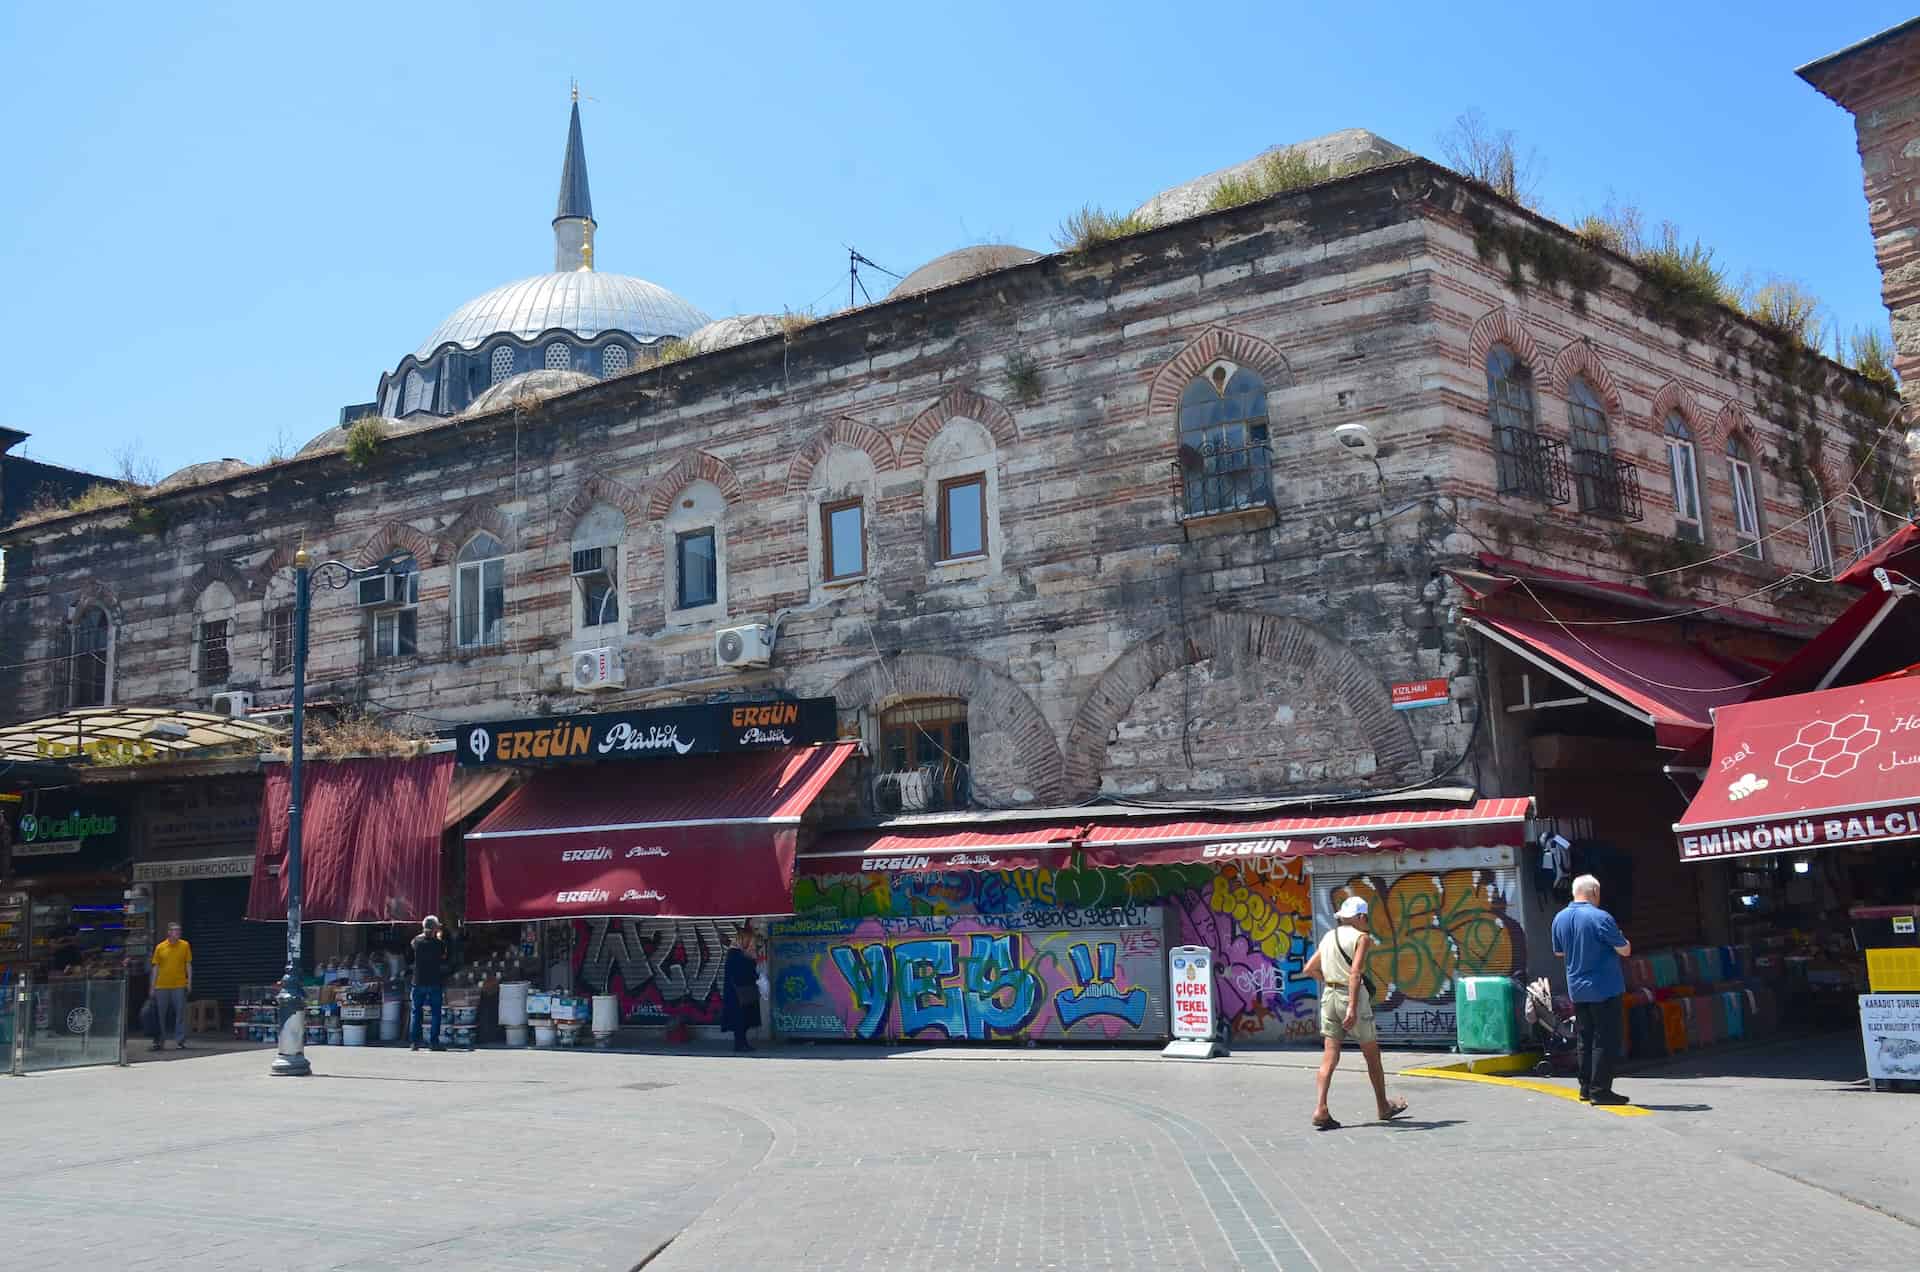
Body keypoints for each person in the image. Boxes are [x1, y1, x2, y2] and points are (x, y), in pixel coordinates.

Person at [1301, 896, 1408, 1129]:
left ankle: (1320, 1108)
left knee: (1329, 1056)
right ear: (1360, 917)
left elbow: (1309, 968)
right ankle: (1383, 1106)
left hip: (1329, 996)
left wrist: (1330, 983)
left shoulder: (1329, 936)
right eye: (1365, 917)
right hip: (1352, 999)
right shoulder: (1362, 938)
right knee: (1371, 1055)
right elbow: (1355, 974)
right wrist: (1350, 1005)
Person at [1552, 873, 1632, 1105]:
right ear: (1594, 892)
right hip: (1604, 987)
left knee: (1584, 1038)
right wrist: (1623, 941)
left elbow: (1559, 952)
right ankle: (1600, 1090)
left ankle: (1585, 1087)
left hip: (1577, 988)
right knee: (1605, 1039)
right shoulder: (1600, 917)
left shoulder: (1560, 918)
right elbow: (1624, 950)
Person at [149, 922, 192, 1052]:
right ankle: (159, 1040)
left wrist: (189, 982)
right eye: (175, 931)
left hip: (179, 984)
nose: (178, 933)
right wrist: (152, 986)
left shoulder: (185, 945)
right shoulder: (160, 947)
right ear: (169, 932)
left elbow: (188, 965)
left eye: (179, 931)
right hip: (161, 985)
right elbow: (155, 967)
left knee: (180, 1013)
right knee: (160, 1014)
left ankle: (180, 1040)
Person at [410, 915, 448, 1052]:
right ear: (434, 929)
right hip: (434, 982)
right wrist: (438, 936)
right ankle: (434, 1042)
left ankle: (415, 1042)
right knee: (436, 1013)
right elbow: (444, 956)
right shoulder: (439, 944)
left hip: (418, 981)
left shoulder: (417, 941)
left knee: (416, 1012)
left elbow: (414, 942)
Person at [721, 928, 760, 1053]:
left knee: (744, 1020)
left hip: (741, 992)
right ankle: (740, 1044)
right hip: (737, 993)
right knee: (740, 1020)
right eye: (750, 941)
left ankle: (742, 1043)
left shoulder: (738, 952)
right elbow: (743, 972)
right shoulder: (735, 954)